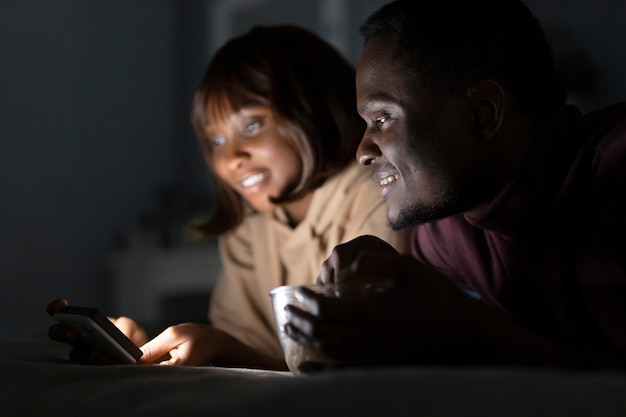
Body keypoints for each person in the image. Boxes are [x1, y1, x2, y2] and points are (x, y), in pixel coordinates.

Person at [284, 0, 626, 370]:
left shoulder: (615, 175)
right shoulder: (446, 234)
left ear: (482, 113)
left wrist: (468, 329)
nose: (363, 153)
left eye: (382, 118)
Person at [47, 25, 409, 369]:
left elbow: (358, 363)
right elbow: (251, 347)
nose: (231, 158)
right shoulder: (248, 230)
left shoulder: (377, 194)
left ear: (315, 108)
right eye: (216, 141)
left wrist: (220, 348)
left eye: (251, 126)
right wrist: (150, 350)